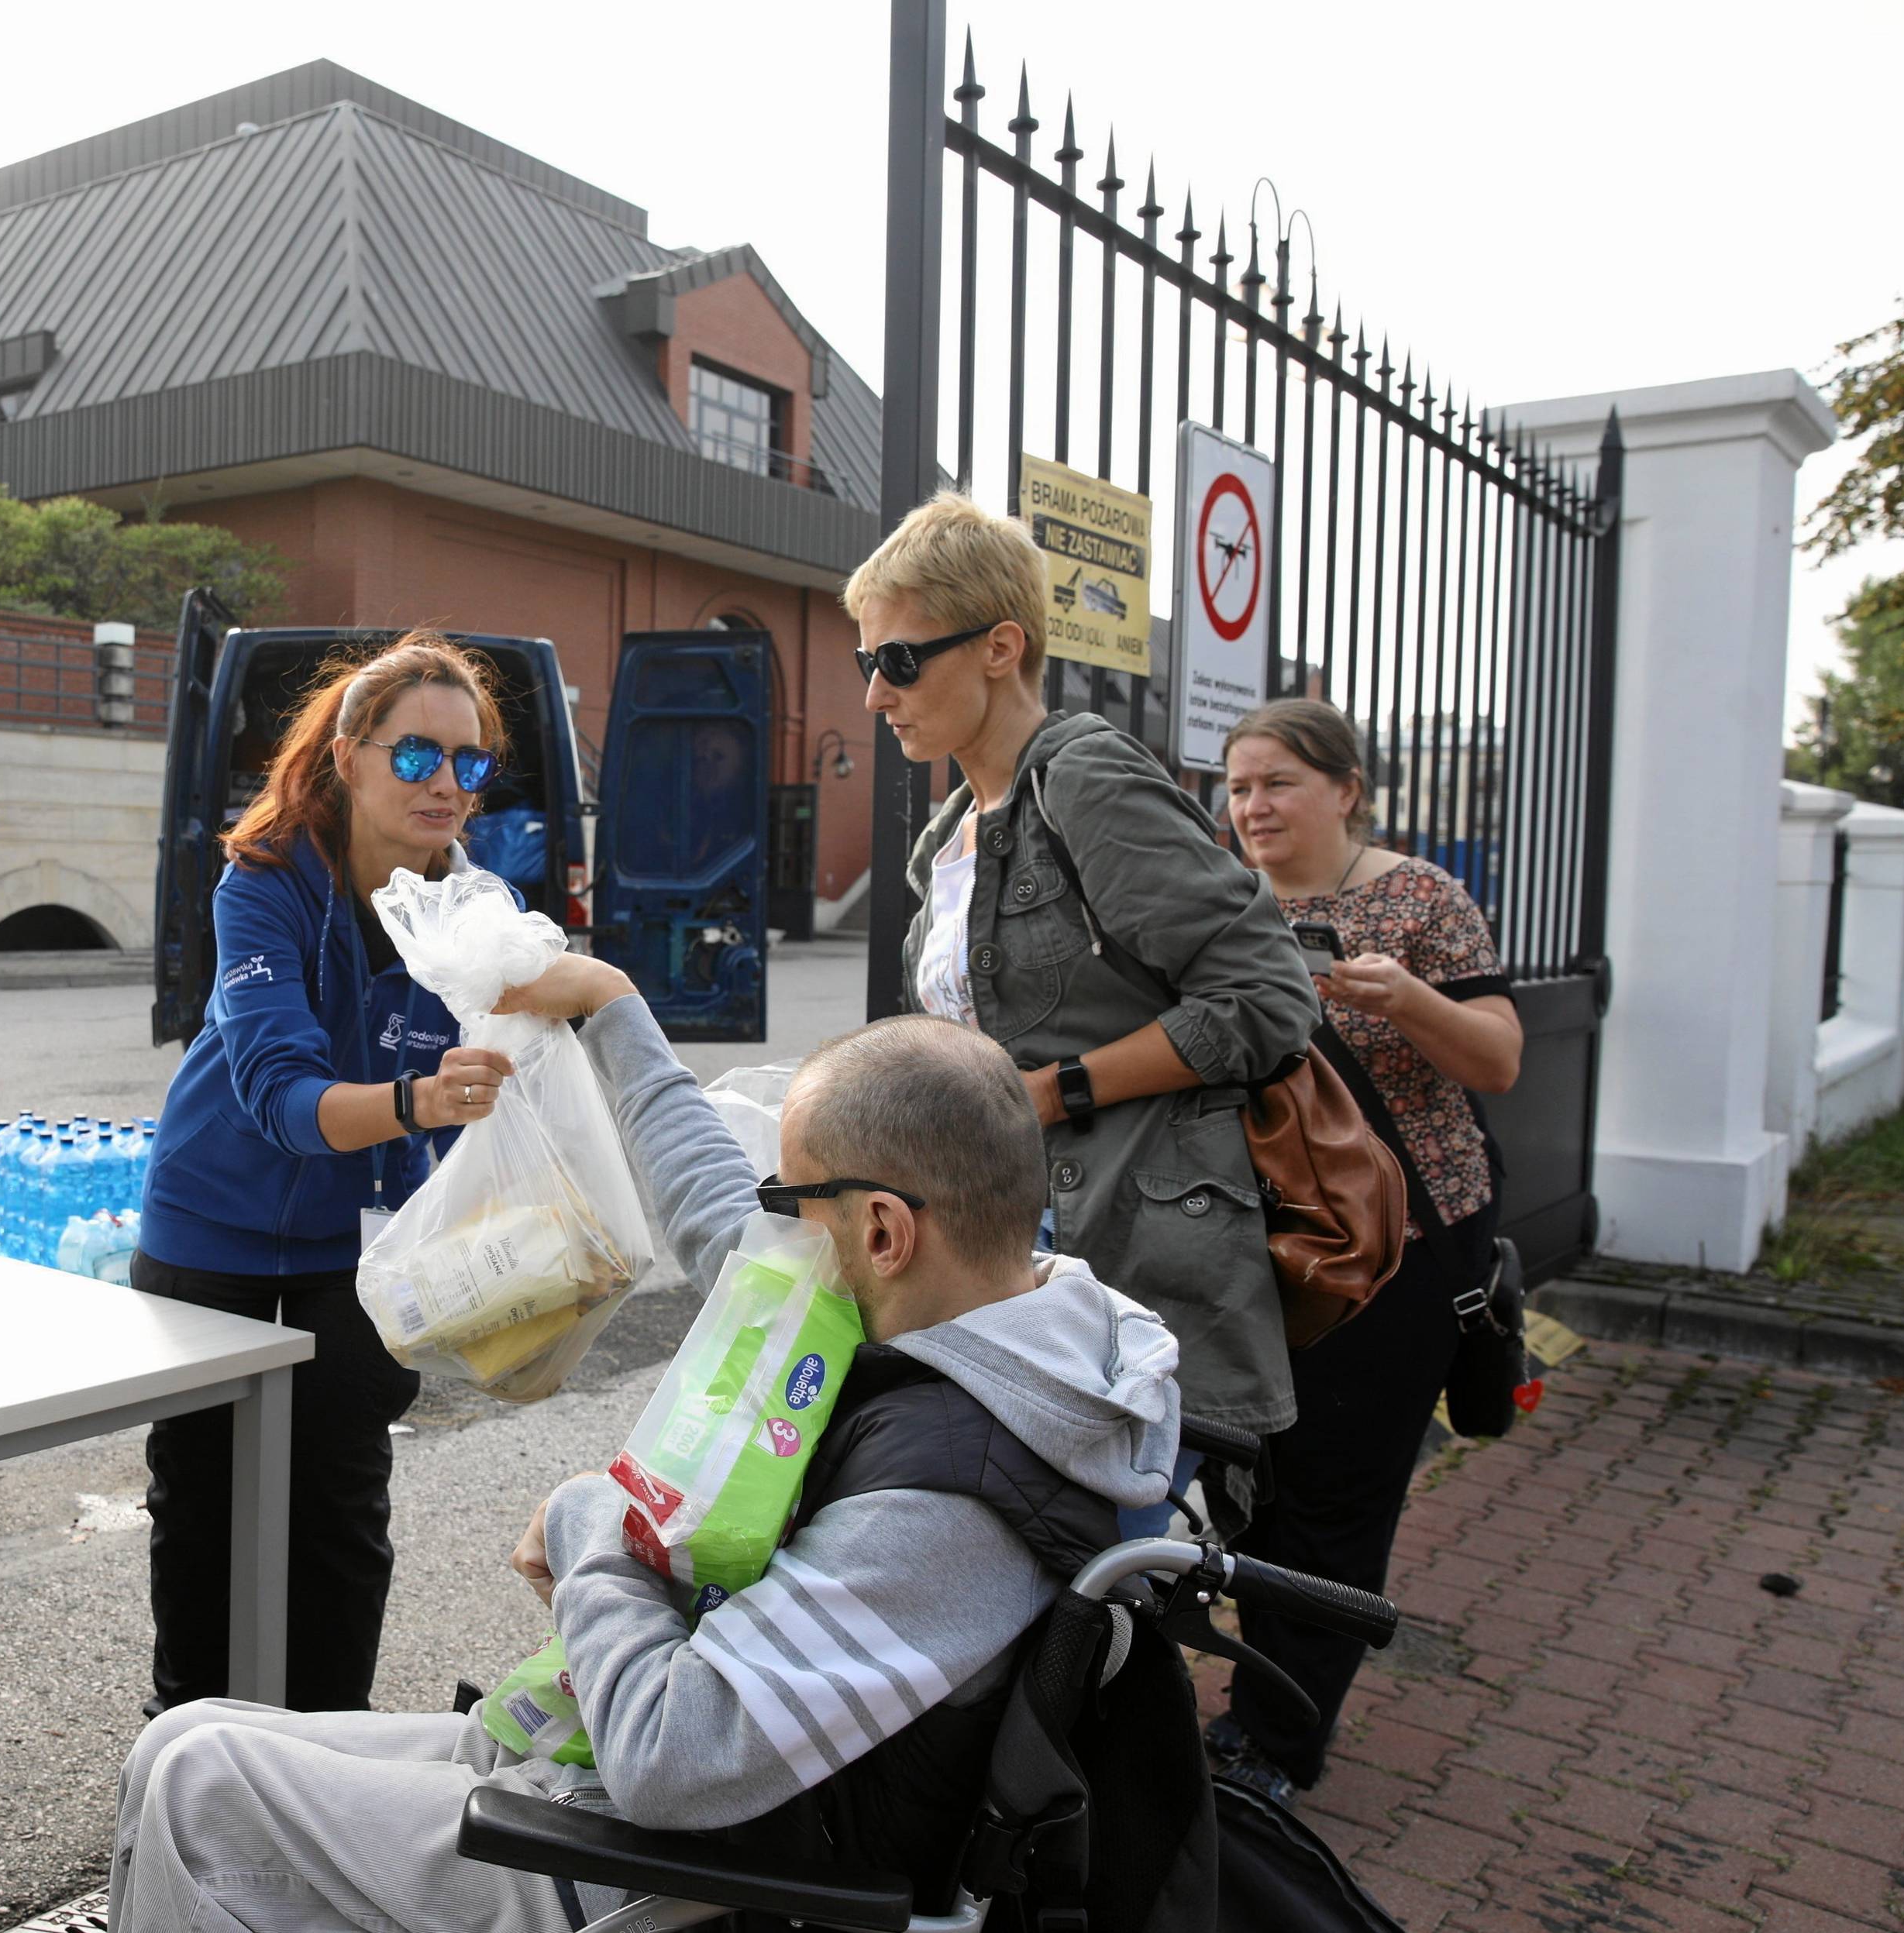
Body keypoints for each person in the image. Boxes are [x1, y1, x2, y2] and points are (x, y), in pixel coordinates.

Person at [108, 954, 1185, 1932]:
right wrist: (615, 1006)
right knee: (176, 1740)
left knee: (204, 1790)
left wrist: (596, 1529)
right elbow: (715, 1207)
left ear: (884, 1233)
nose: (765, 1231)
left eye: (787, 1199)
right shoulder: (977, 1322)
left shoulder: (954, 1503)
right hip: (626, 1776)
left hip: (682, 1869)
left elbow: (678, 1754)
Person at [856, 492, 1319, 1530]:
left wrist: (1053, 1093)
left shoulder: (1087, 780)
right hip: (1008, 1274)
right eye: (865, 666)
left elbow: (1269, 998)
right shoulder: (951, 839)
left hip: (1131, 1274)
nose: (878, 697)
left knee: (1104, 1590)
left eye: (897, 661)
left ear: (999, 646)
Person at [135, 633, 519, 1717]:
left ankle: (327, 1767)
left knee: (340, 1516)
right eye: (414, 757)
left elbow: (535, 1051)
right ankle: (192, 1759)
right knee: (201, 1513)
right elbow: (277, 1093)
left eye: (468, 762)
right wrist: (416, 1103)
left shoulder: (475, 912)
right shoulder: (263, 884)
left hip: (357, 1253)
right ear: (349, 756)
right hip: (209, 1231)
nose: (445, 783)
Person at [1210, 698, 1521, 1805]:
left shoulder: (1421, 898)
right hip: (1264, 1240)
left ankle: (1275, 1743)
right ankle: (1259, 1693)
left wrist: (1413, 999)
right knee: (1261, 1484)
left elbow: (1499, 1061)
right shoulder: (1223, 895)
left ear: (1347, 789)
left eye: (1277, 783)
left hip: (1405, 1245)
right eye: (1238, 785)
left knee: (1339, 1491)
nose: (1251, 806)